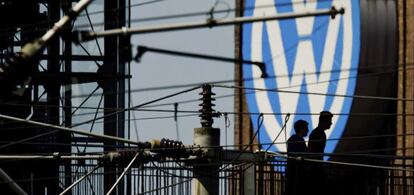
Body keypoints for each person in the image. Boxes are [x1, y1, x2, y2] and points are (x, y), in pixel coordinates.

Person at [307, 111, 333, 195]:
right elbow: (315, 152)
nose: (331, 123)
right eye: (329, 120)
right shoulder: (319, 133)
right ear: (324, 121)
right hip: (316, 168)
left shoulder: (316, 132)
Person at [286, 119, 309, 195]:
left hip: (292, 169)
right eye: (306, 128)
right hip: (297, 170)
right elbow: (302, 154)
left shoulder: (292, 139)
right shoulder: (299, 140)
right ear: (302, 129)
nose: (308, 130)